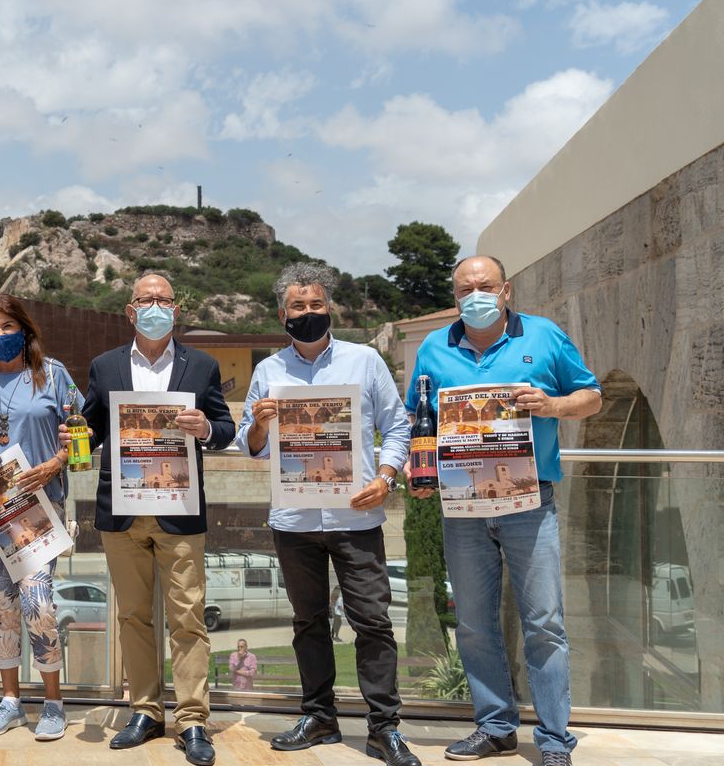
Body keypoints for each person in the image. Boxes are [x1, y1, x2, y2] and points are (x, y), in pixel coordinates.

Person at [405, 255, 601, 766]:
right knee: (472, 622)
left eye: (485, 285)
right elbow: (416, 417)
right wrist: (415, 462)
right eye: (465, 288)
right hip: (462, 506)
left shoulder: (543, 336)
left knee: (544, 622)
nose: (476, 294)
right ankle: (495, 728)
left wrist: (552, 405)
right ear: (455, 296)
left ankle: (556, 741)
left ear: (506, 290)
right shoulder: (433, 347)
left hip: (529, 501)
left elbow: (593, 397)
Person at [236, 263, 420, 766]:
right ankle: (319, 717)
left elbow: (397, 426)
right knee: (308, 623)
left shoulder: (364, 362)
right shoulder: (268, 371)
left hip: (356, 519)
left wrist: (385, 477)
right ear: (283, 314)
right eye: (299, 306)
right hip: (294, 521)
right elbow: (249, 448)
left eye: (316, 304)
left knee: (373, 623)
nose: (309, 313)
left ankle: (384, 729)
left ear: (329, 308)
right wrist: (258, 424)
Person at [79, 273, 235, 766]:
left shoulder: (203, 365)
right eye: (145, 299)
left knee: (188, 619)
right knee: (133, 616)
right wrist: (74, 436)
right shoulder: (104, 367)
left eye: (163, 300)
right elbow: (91, 430)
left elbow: (227, 429)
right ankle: (144, 711)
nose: (154, 306)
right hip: (121, 511)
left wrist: (205, 426)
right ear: (130, 310)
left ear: (176, 309)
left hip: (179, 510)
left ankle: (192, 720)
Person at [0, 294, 79, 741]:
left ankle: (54, 703)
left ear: (25, 329)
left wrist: (57, 462)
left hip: (38, 506)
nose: (0, 335)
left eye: (8, 327)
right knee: (2, 607)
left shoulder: (54, 374)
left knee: (38, 604)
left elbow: (81, 434)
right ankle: (9, 701)